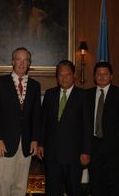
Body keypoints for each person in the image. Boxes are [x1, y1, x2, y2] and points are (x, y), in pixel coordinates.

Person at [0, 47, 41, 196]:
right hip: (3, 145)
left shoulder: (34, 86)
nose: (22, 63)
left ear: (29, 63)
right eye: (18, 59)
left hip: (25, 146)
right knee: (3, 188)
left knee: (20, 188)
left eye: (26, 60)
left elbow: (36, 115)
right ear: (13, 62)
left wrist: (35, 139)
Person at [38, 60, 92, 195]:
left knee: (73, 190)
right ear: (57, 77)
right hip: (52, 155)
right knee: (52, 191)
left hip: (74, 155)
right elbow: (43, 122)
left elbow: (87, 126)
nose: (64, 78)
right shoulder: (50, 94)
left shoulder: (83, 96)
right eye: (60, 75)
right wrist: (40, 144)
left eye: (67, 74)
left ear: (73, 75)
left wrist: (86, 151)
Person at [86, 61, 119, 196]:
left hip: (115, 147)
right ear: (94, 76)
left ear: (111, 76)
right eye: (98, 74)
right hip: (93, 146)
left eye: (105, 74)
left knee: (116, 184)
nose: (102, 76)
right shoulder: (86, 95)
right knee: (96, 183)